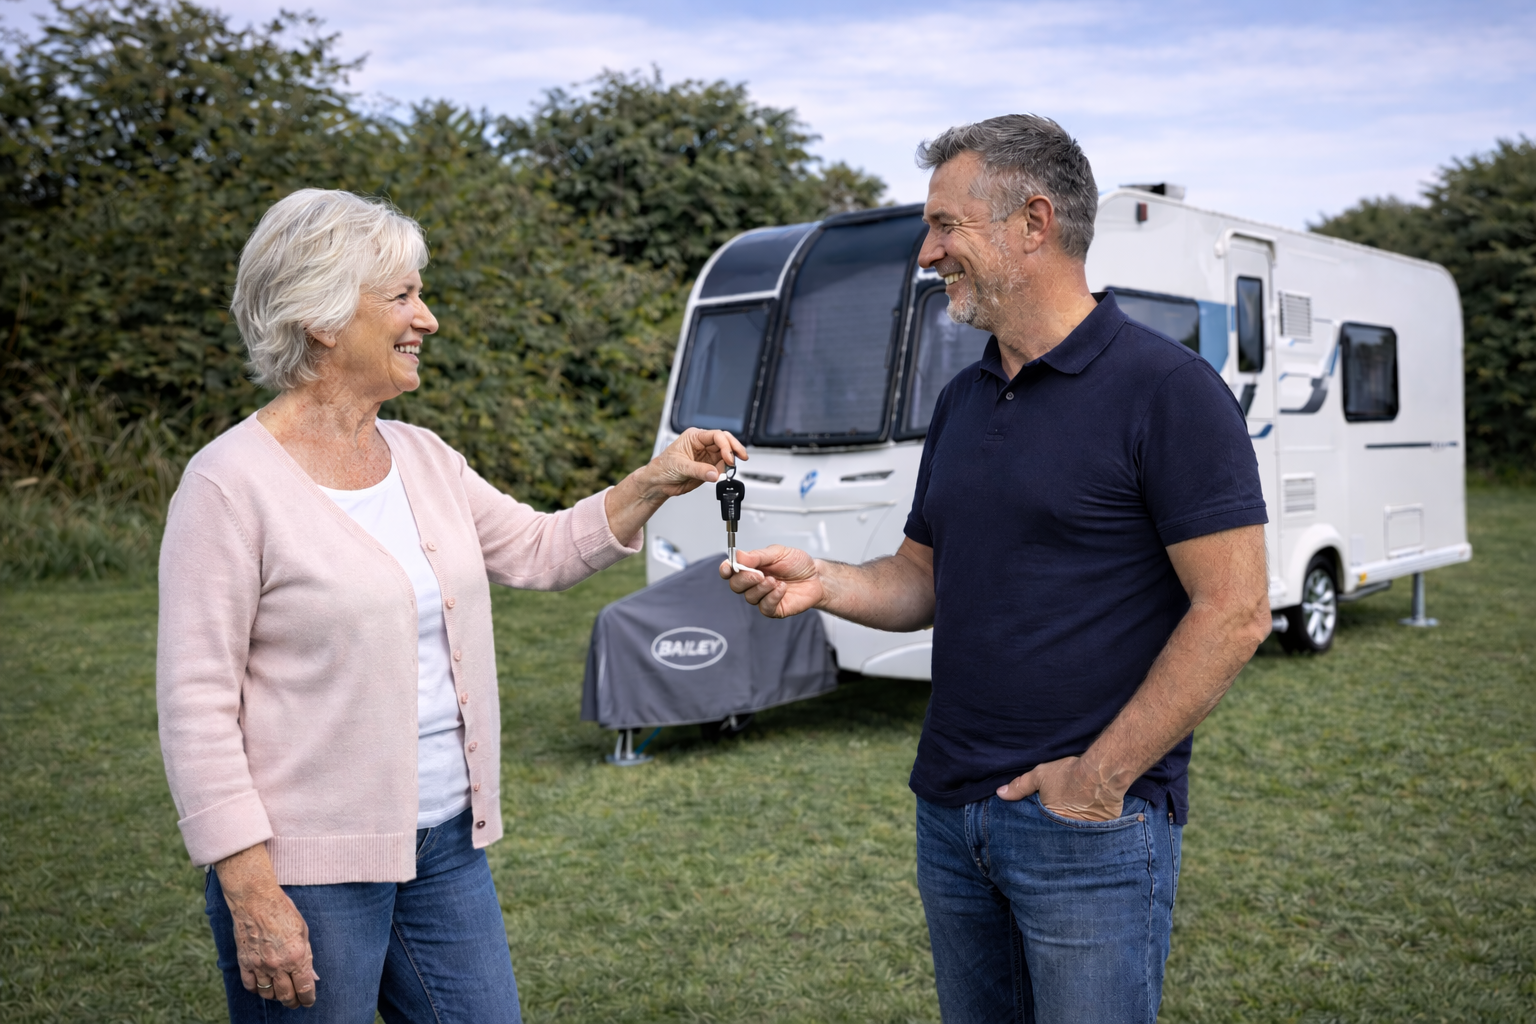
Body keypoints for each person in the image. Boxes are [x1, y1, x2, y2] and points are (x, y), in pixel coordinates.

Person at [723, 115, 1272, 1023]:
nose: (927, 253)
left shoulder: (1167, 390)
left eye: (945, 226)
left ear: (1034, 222)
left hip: (1087, 829)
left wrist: (1099, 780)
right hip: (950, 813)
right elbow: (922, 577)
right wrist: (823, 580)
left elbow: (1236, 610)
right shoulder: (965, 398)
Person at [156, 188, 746, 1023]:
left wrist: (654, 479)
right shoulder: (227, 484)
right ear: (321, 317)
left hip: (445, 849)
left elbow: (540, 552)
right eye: (401, 296)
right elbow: (195, 707)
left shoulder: (423, 456)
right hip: (304, 873)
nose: (425, 319)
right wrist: (251, 890)